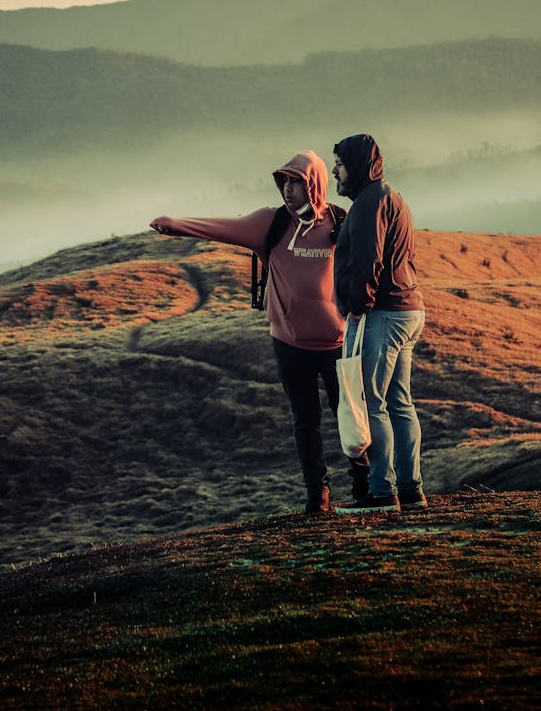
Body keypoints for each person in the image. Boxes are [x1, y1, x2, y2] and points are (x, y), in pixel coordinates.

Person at [150, 150, 369, 514]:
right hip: (289, 343)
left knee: (349, 414)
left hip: (337, 342)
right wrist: (176, 224)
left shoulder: (340, 221)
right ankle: (319, 494)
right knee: (306, 420)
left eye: (296, 182)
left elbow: (371, 253)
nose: (288, 189)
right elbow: (221, 228)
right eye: (285, 181)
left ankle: (363, 480)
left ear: (313, 185)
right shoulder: (271, 223)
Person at [331, 133, 427, 513]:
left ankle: (382, 492)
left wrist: (359, 303)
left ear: (354, 166)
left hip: (384, 313)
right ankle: (410, 489)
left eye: (338, 164)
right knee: (400, 402)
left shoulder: (370, 202)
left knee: (375, 403)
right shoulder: (390, 197)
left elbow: (368, 259)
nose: (335, 172)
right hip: (408, 310)